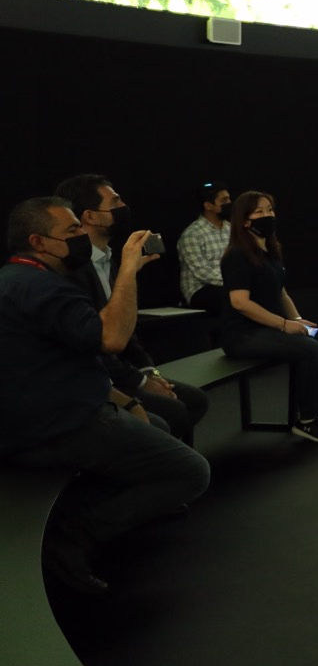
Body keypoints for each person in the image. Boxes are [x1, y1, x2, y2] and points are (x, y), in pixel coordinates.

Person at [0, 198, 210, 592]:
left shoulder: (16, 282)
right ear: (38, 242)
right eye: (72, 231)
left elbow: (70, 364)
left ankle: (82, 516)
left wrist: (126, 400)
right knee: (193, 472)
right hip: (55, 428)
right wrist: (128, 271)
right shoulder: (44, 288)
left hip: (33, 421)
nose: (82, 236)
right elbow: (112, 338)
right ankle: (73, 537)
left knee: (161, 422)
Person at [54, 174, 210, 444]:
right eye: (115, 201)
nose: (123, 206)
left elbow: (129, 333)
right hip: (97, 379)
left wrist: (152, 374)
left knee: (194, 400)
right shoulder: (72, 272)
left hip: (121, 372)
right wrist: (140, 382)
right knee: (173, 412)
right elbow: (97, 343)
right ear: (89, 216)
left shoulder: (110, 260)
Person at [219, 191, 318, 444]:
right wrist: (283, 324)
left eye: (270, 209)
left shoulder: (270, 251)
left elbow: (281, 293)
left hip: (268, 330)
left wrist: (297, 319)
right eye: (259, 212)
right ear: (245, 221)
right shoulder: (237, 255)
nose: (267, 215)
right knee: (310, 349)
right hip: (242, 335)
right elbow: (240, 302)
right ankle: (307, 421)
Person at [178, 180, 231, 317]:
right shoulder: (192, 234)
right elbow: (203, 273)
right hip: (201, 289)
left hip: (229, 283)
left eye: (229, 199)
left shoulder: (232, 229)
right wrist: (235, 281)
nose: (229, 203)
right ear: (208, 205)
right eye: (224, 200)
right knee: (228, 297)